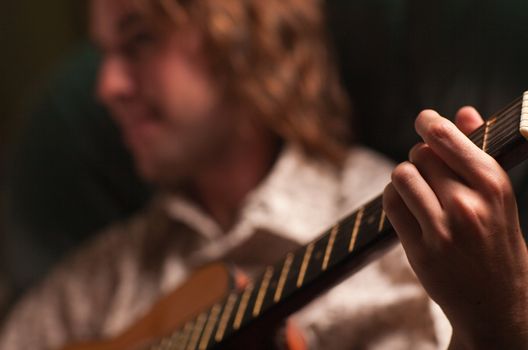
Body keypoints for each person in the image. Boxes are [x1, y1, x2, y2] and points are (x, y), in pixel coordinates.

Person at [1, 0, 527, 349]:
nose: (107, 86)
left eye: (139, 40)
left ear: (242, 38)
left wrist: (496, 322)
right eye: (104, 55)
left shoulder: (409, 231)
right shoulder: (90, 285)